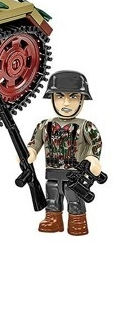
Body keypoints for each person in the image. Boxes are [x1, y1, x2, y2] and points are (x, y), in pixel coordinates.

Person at [26, 70, 102, 235]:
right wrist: (30, 153)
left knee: (74, 199)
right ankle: (53, 219)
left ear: (82, 99)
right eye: (60, 96)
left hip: (75, 174)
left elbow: (95, 144)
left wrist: (92, 159)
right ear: (52, 98)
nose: (66, 103)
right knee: (52, 197)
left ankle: (77, 220)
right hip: (52, 172)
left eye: (73, 97)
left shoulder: (86, 126)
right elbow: (35, 143)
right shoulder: (44, 125)